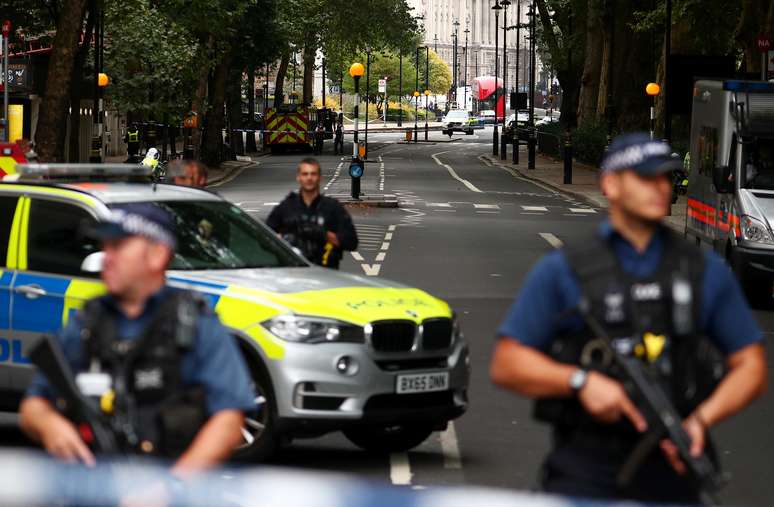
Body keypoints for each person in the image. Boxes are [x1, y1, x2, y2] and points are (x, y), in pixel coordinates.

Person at [490, 133, 767, 504]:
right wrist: (579, 381)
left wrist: (701, 420)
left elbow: (751, 364)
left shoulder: (702, 269)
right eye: (645, 177)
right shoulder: (565, 269)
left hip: (675, 465)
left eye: (666, 178)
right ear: (610, 184)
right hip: (585, 469)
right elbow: (508, 363)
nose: (659, 188)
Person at [19, 203, 255, 476]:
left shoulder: (195, 324)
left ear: (157, 254)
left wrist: (172, 487)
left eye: (118, 246)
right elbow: (32, 407)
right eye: (105, 247)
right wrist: (50, 425)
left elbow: (229, 420)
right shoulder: (87, 322)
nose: (106, 256)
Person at [267, 157, 357, 269]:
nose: (309, 178)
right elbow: (265, 237)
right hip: (294, 274)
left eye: (313, 174)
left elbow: (352, 242)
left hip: (326, 272)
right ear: (298, 177)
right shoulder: (287, 207)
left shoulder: (333, 208)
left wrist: (324, 235)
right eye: (305, 174)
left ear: (320, 178)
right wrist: (286, 237)